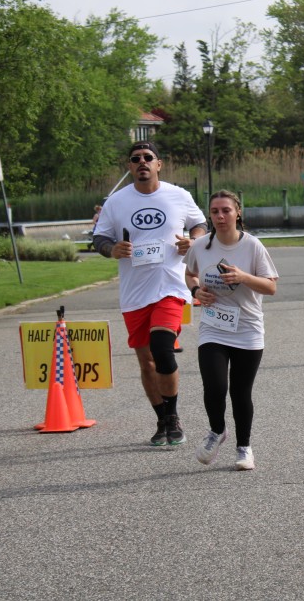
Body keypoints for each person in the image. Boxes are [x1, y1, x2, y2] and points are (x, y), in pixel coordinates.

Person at [92, 141, 208, 447]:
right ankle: (162, 420)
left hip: (170, 285)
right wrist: (112, 249)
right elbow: (99, 238)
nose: (141, 162)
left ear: (159, 164)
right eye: (135, 159)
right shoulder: (116, 202)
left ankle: (173, 416)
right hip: (134, 292)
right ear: (129, 166)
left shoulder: (178, 195)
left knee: (162, 348)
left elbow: (199, 224)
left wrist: (193, 241)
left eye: (148, 157)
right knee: (147, 362)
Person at [185, 190, 278, 471]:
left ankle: (244, 447)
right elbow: (190, 273)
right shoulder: (200, 246)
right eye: (215, 211)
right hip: (213, 327)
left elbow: (271, 286)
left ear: (238, 212)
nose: (220, 216)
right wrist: (196, 290)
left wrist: (243, 277)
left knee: (240, 392)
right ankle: (217, 430)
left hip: (247, 328)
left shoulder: (252, 246)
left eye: (226, 210)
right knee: (214, 386)